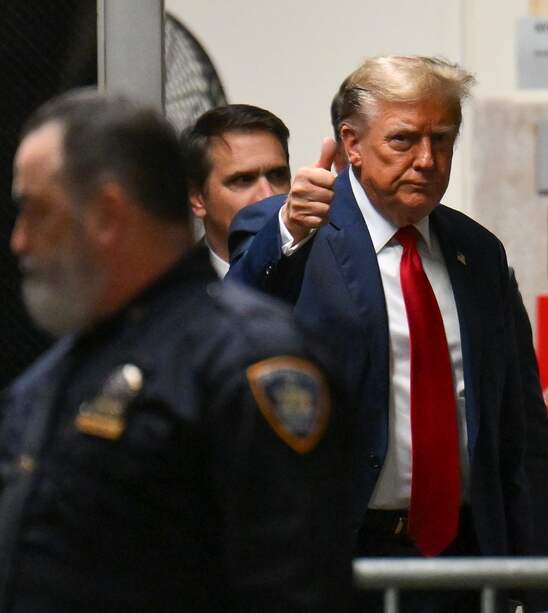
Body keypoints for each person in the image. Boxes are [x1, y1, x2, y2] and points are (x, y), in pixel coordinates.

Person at [2, 89, 347, 612]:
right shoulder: (56, 372)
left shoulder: (248, 359)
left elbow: (291, 587)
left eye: (35, 211)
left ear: (107, 214)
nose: (20, 241)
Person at [228, 55, 531, 612]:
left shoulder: (479, 252)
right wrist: (288, 232)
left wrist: (547, 595)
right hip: (339, 558)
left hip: (463, 561)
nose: (426, 160)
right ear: (352, 144)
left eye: (442, 139)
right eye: (403, 140)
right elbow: (231, 321)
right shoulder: (294, 228)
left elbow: (521, 430)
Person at [182, 103, 292, 276]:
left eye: (277, 175)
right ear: (197, 198)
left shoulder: (325, 271)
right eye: (244, 180)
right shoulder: (174, 287)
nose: (268, 195)